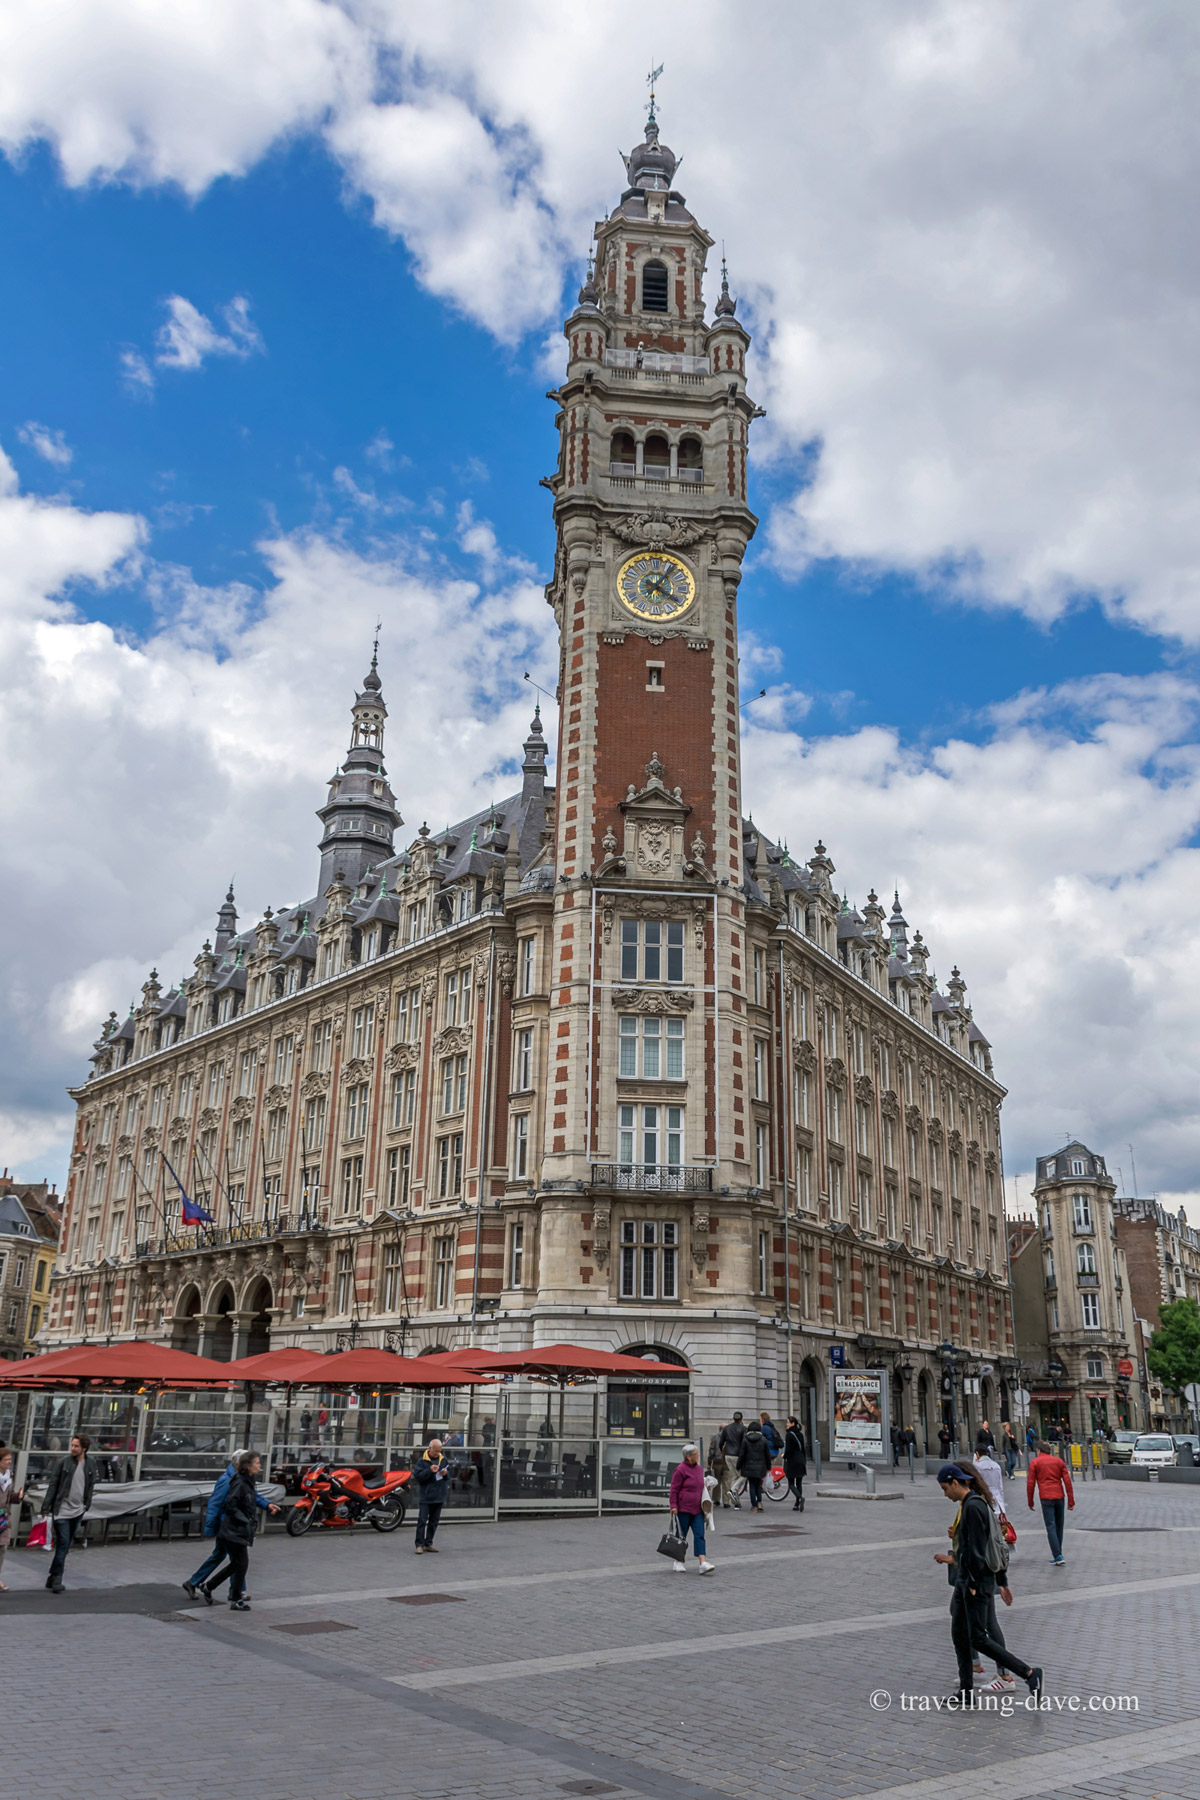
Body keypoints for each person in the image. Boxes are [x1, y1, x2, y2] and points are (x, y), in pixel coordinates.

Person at [934, 1463, 1042, 1705]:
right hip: (970, 1580)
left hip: (974, 1583)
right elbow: (993, 1545)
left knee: (978, 1638)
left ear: (955, 1482)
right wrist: (999, 1580)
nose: (945, 1495)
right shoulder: (976, 1504)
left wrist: (972, 1583)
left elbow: (977, 1551)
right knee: (960, 1636)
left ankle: (1029, 1674)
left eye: (945, 1488)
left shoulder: (973, 1507)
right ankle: (965, 1692)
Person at [183, 1448, 278, 1602]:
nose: (259, 1465)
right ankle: (236, 1591)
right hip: (229, 1526)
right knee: (238, 1560)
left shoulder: (244, 1478)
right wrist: (210, 1527)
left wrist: (267, 1505)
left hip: (231, 1526)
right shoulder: (228, 1480)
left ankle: (194, 1582)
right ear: (240, 1463)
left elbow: (253, 1496)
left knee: (223, 1557)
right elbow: (216, 1502)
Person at [202, 1450, 263, 1611]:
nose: (260, 1465)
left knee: (237, 1564)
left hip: (238, 1530)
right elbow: (231, 1505)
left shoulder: (249, 1481)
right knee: (241, 1564)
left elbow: (252, 1500)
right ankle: (235, 1599)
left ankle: (209, 1587)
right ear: (248, 1466)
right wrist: (245, 1521)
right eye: (257, 1463)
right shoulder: (239, 1482)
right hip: (233, 1531)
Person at [41, 1433, 96, 1594]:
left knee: (66, 1545)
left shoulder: (90, 1464)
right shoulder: (63, 1463)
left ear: (84, 1448)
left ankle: (52, 1577)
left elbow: (91, 1485)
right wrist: (46, 1508)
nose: (73, 1448)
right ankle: (58, 1578)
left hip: (78, 1510)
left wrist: (87, 1504)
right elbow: (53, 1485)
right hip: (62, 1510)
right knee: (63, 1543)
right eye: (72, 1445)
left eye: (76, 1446)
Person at [667, 1444, 715, 1575]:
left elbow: (699, 1483)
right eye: (696, 1454)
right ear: (688, 1457)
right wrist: (673, 1505)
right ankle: (678, 1561)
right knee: (681, 1536)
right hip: (683, 1508)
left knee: (700, 1534)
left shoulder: (699, 1469)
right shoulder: (680, 1470)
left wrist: (706, 1487)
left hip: (697, 1508)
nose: (698, 1456)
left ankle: (702, 1562)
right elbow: (674, 1489)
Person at [1027, 1437, 1074, 1565]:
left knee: (1051, 1526)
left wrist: (1030, 1501)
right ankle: (1059, 1552)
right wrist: (1071, 1500)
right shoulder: (1059, 1462)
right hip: (1059, 1496)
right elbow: (1067, 1481)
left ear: (1039, 1450)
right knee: (1059, 1525)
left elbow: (1031, 1483)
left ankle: (1057, 1555)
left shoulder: (1035, 1463)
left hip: (1046, 1497)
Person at [413, 1437, 449, 1553]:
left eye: (439, 1451)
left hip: (439, 1495)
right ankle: (419, 1544)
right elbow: (418, 1477)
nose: (438, 1453)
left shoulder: (443, 1459)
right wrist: (429, 1470)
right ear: (430, 1448)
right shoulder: (422, 1461)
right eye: (436, 1451)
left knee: (434, 1521)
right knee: (422, 1521)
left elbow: (449, 1476)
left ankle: (428, 1543)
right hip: (426, 1496)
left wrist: (445, 1474)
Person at [0, 1446, 23, 1590]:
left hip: (3, 1517)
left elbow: (9, 1497)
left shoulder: (9, 1476)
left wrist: (17, 1497)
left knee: (2, 1548)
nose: (9, 1462)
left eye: (10, 1459)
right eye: (7, 1459)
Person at [736, 1418, 770, 1512]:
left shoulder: (746, 1439)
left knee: (751, 1485)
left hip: (748, 1466)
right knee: (758, 1484)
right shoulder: (763, 1440)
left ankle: (754, 1505)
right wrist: (768, 1466)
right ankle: (759, 1502)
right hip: (760, 1466)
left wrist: (738, 1466)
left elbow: (741, 1454)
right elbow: (767, 1454)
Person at [784, 1416, 807, 1511]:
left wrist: (784, 1456)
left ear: (792, 1424)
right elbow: (803, 1448)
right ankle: (797, 1504)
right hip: (801, 1459)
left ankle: (800, 1498)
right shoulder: (800, 1434)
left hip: (792, 1461)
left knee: (791, 1483)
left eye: (788, 1422)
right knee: (799, 1483)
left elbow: (788, 1450)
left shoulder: (789, 1435)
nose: (787, 1424)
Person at [707, 1434, 734, 1508]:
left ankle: (716, 1499)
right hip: (728, 1462)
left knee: (717, 1481)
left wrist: (709, 1462)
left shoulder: (715, 1437)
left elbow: (711, 1450)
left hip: (717, 1462)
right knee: (727, 1482)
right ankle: (726, 1501)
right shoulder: (731, 1437)